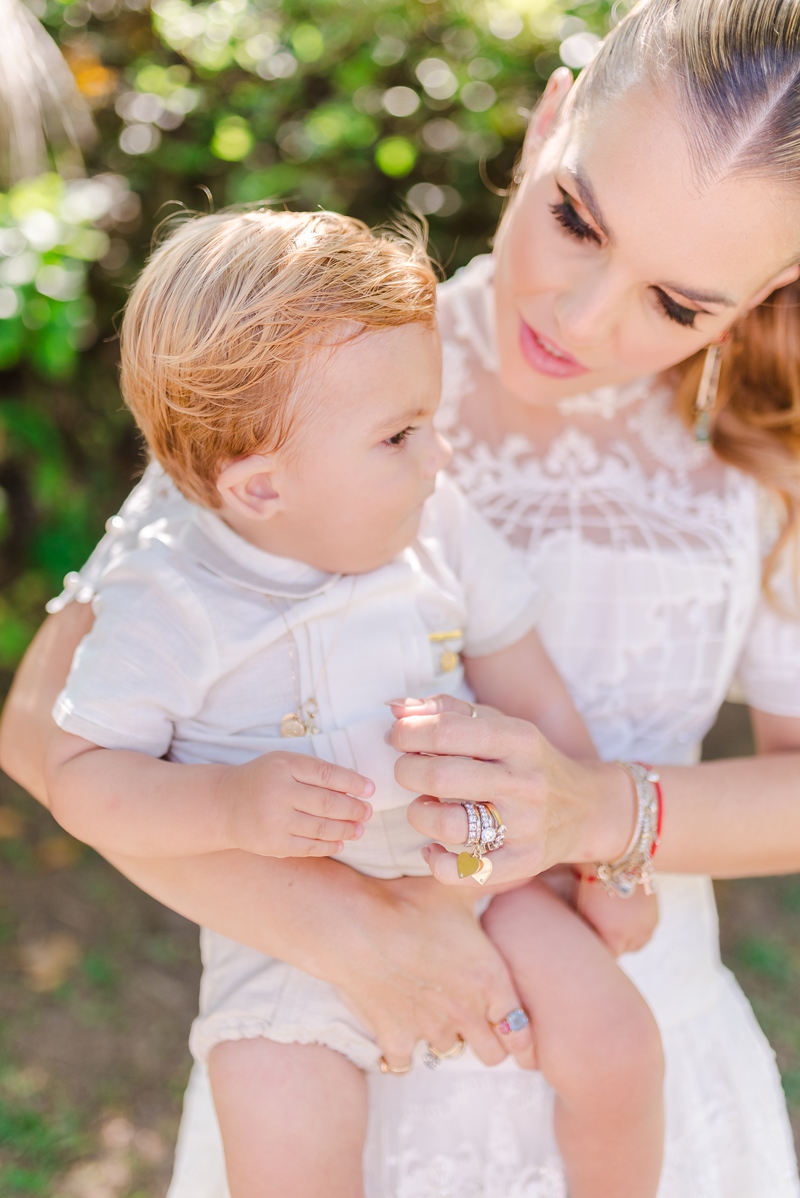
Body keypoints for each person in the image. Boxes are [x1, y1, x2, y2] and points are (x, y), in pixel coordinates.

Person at [3, 0, 800, 1192]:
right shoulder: (307, 370)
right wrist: (343, 929)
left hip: (627, 1034)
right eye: (576, 219)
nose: (577, 316)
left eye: (677, 304)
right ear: (548, 119)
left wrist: (602, 820)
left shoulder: (763, 459)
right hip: (328, 1049)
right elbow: (41, 734)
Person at [42, 207, 663, 1198]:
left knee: (615, 1045)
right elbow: (75, 770)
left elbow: (525, 685)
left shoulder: (437, 528)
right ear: (258, 490)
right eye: (400, 434)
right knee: (284, 1142)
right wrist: (224, 804)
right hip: (282, 925)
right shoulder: (166, 600)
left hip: (470, 865)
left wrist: (598, 856)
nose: (437, 458)